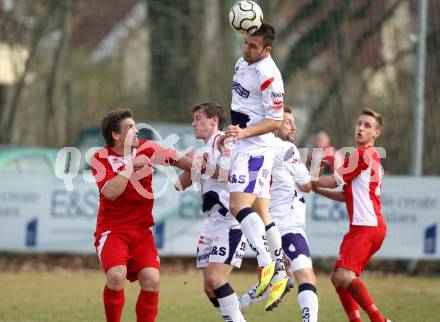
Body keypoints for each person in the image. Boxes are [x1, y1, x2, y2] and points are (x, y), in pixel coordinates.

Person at [90, 108, 192, 322]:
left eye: (135, 126)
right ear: (116, 135)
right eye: (130, 127)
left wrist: (209, 162)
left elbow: (186, 163)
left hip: (141, 232)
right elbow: (110, 193)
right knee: (116, 275)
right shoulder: (100, 157)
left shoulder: (148, 148)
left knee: (151, 279)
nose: (137, 131)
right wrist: (128, 166)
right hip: (112, 231)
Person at [224, 22, 291, 311]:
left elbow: (276, 121)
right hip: (246, 144)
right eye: (245, 43)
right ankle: (282, 274)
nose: (247, 49)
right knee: (262, 211)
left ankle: (268, 266)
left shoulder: (270, 75)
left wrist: (244, 132)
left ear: (267, 49)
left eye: (253, 46)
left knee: (238, 205)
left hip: (254, 147)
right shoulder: (243, 62)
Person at [312, 108, 392, 322]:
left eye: (367, 126)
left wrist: (307, 179)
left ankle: (379, 320)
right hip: (368, 227)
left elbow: (332, 180)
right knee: (338, 278)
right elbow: (346, 196)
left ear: (376, 133)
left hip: (366, 227)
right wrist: (315, 188)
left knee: (344, 276)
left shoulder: (363, 155)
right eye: (359, 123)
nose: (361, 128)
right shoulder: (367, 157)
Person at [239, 107, 319, 321]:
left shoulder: (254, 148)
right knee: (307, 277)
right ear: (273, 125)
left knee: (282, 273)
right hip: (288, 225)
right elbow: (307, 185)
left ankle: (240, 304)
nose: (293, 126)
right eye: (287, 122)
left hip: (270, 226)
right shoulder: (286, 148)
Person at [176, 102, 247, 322]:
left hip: (229, 221)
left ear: (213, 121)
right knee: (209, 287)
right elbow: (179, 185)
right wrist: (188, 162)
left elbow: (229, 175)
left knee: (216, 280)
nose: (193, 123)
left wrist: (200, 163)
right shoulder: (202, 151)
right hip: (211, 224)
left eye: (198, 118)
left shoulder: (224, 141)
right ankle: (234, 317)